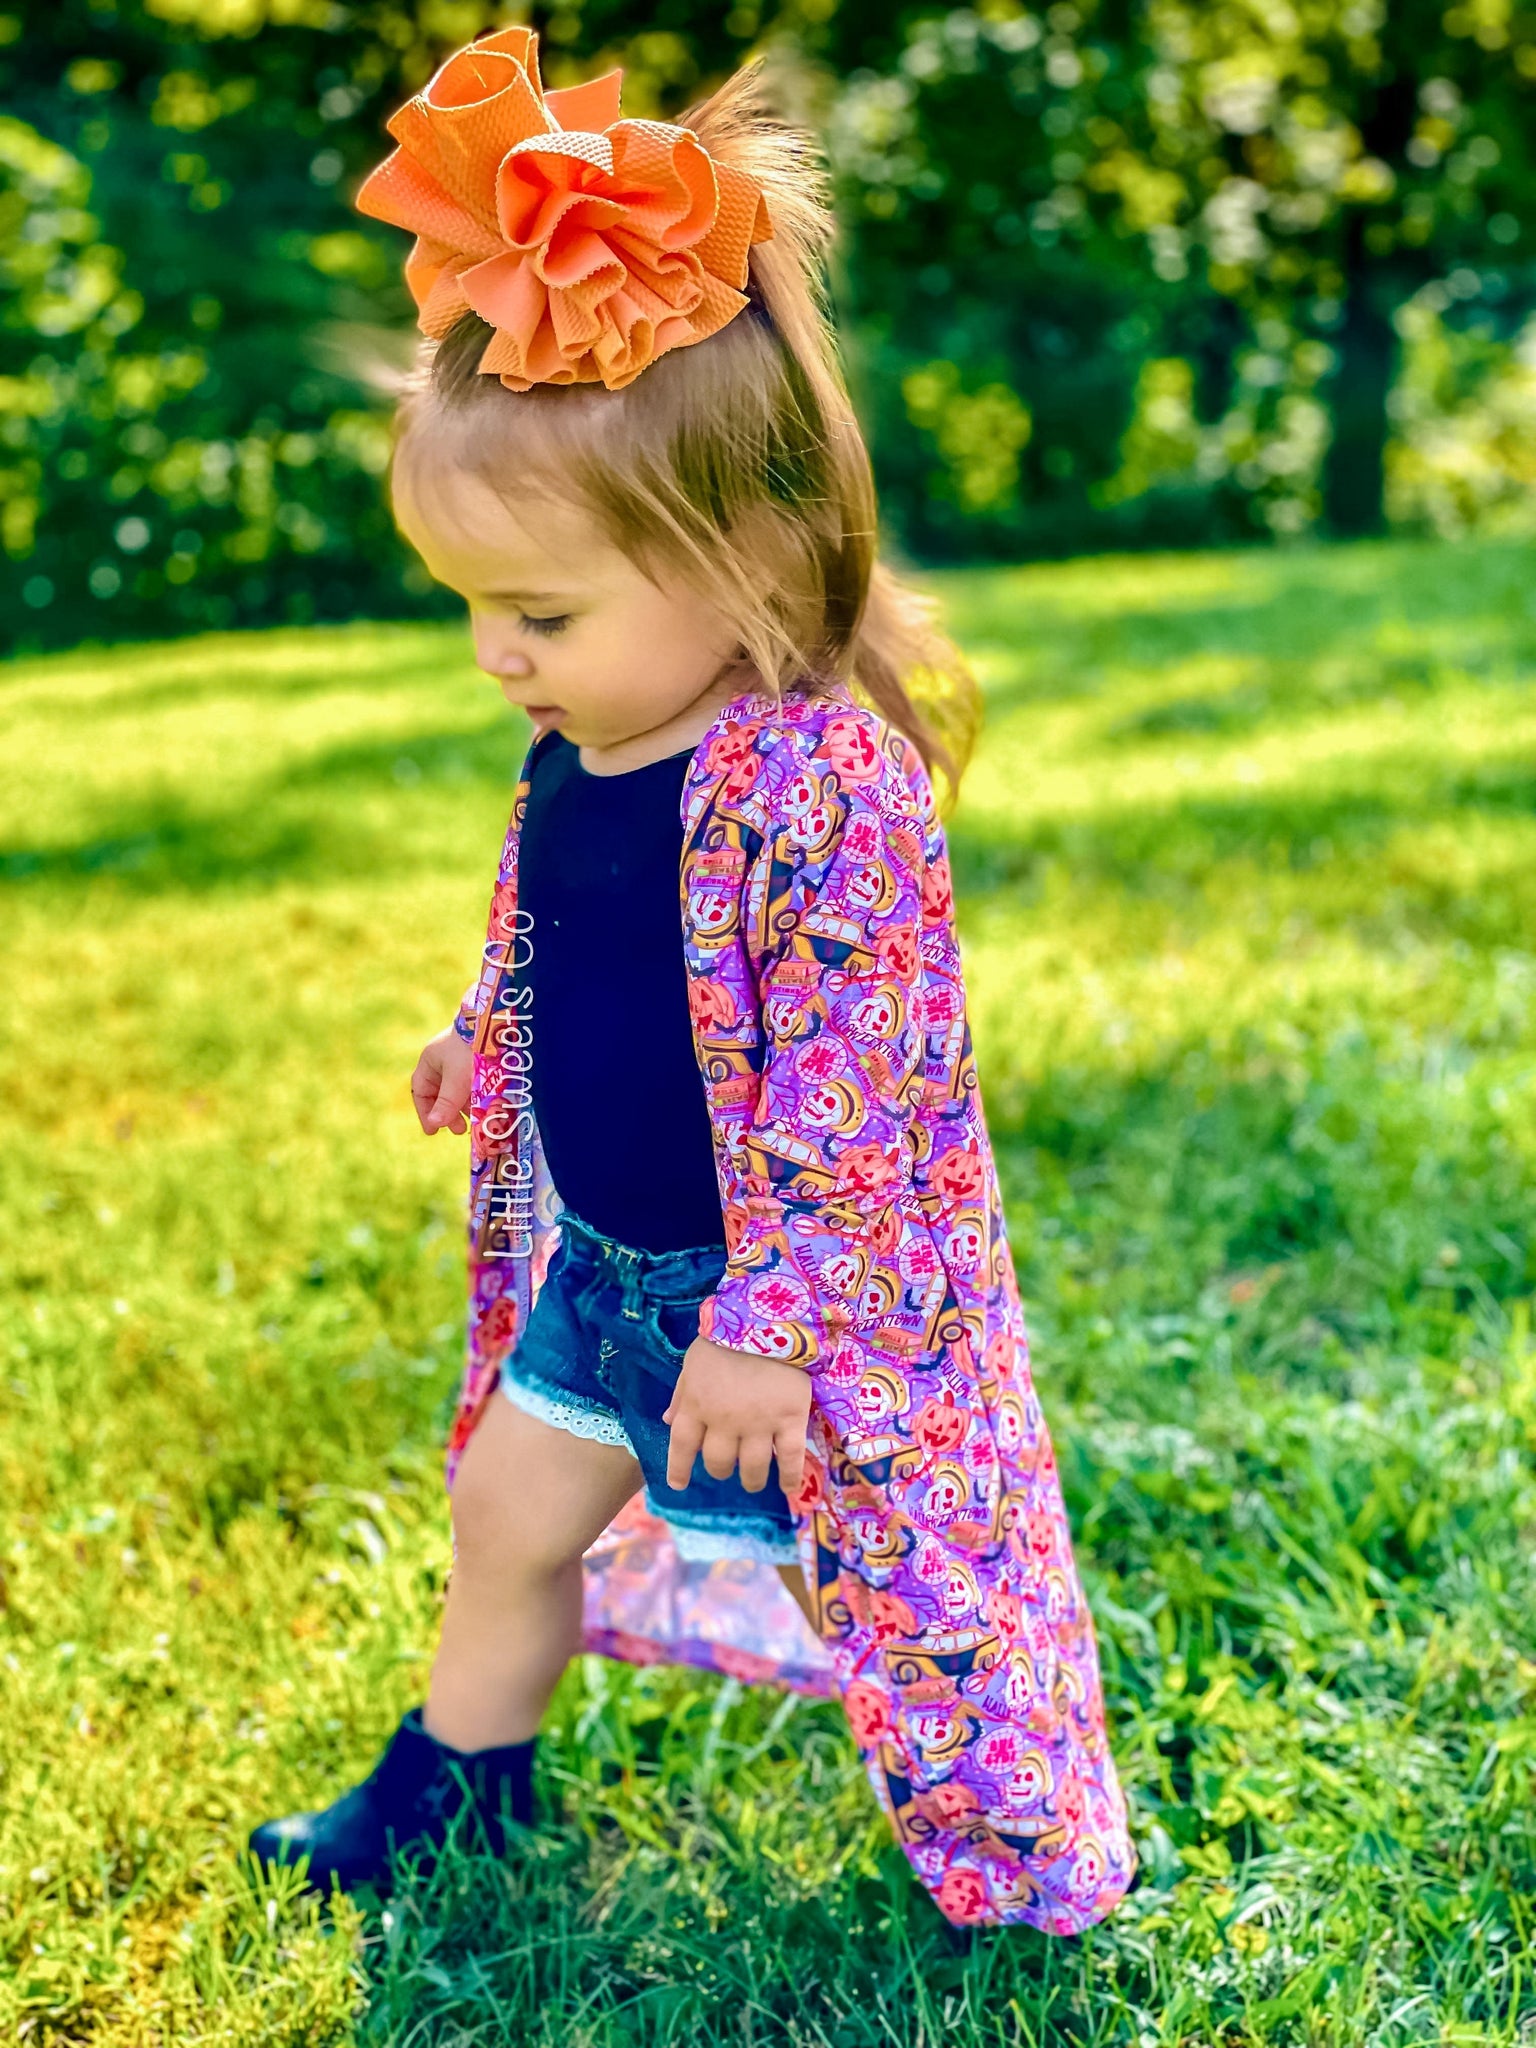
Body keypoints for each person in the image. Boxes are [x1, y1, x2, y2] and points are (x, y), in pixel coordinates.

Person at [248, 26, 1135, 1934]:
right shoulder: (581, 743)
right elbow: (569, 940)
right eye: (471, 607)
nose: (497, 656)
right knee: (507, 1511)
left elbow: (860, 1094)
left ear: (745, 556)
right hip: (614, 1275)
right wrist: (483, 1032)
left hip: (797, 1326)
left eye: (538, 610)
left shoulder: (824, 784)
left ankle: (1023, 1864)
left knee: (887, 1590)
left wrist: (772, 1329)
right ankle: (454, 1787)